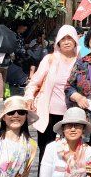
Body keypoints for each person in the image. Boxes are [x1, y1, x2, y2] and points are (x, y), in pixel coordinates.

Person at [25, 25, 80, 167]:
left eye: (70, 38)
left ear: (75, 41)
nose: (66, 42)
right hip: (49, 114)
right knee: (46, 153)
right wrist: (29, 97)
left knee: (71, 154)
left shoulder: (81, 62)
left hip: (72, 115)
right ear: (58, 42)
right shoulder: (50, 59)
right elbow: (34, 82)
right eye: (63, 39)